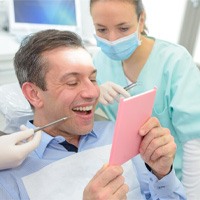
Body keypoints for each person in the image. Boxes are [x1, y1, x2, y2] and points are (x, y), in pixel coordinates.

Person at [0, 29, 186, 199]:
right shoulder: (9, 174)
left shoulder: (118, 134)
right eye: (72, 82)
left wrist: (162, 175)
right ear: (34, 94)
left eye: (93, 79)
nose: (92, 93)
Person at [90, 0, 200, 197]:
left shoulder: (174, 62)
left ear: (141, 20)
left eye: (123, 28)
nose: (112, 39)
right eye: (102, 29)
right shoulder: (99, 62)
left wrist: (191, 194)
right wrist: (95, 93)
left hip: (176, 177)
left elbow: (194, 141)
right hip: (132, 179)